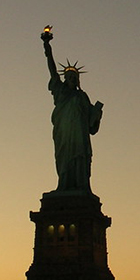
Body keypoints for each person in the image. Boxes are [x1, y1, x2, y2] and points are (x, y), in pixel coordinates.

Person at [42, 31, 104, 193]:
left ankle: (81, 186)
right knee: (64, 158)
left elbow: (91, 125)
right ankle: (63, 184)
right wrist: (47, 47)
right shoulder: (60, 90)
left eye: (74, 78)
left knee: (80, 157)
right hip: (63, 131)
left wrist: (96, 113)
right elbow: (52, 70)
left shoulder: (82, 96)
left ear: (77, 80)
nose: (71, 79)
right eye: (68, 77)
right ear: (65, 79)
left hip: (79, 133)